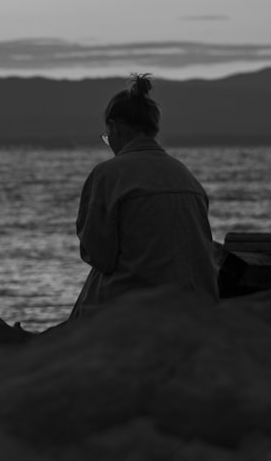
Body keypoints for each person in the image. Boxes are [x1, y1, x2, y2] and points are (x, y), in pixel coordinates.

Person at [70, 73, 218, 319]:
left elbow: (98, 255)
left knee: (93, 287)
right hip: (197, 302)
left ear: (115, 128)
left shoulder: (109, 174)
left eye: (107, 138)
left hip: (135, 306)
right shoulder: (185, 176)